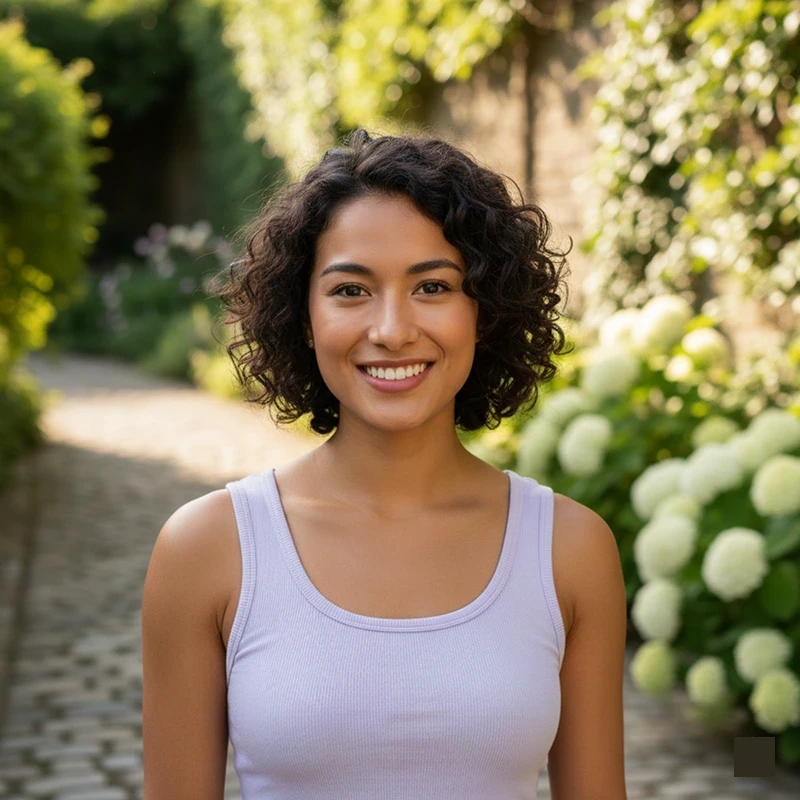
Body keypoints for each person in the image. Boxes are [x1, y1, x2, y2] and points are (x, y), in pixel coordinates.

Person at [141, 128, 628, 799]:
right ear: (302, 315)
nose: (393, 329)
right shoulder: (207, 548)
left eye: (433, 286)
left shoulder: (569, 550)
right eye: (350, 291)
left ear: (483, 312)